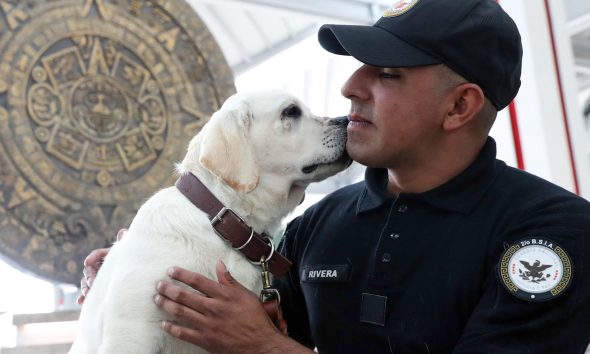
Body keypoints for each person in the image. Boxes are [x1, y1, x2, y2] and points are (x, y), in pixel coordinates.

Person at [79, 0, 590, 353]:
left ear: (459, 105)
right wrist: (136, 286)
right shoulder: (313, 229)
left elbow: (259, 343)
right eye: (358, 67)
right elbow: (234, 332)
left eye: (387, 73)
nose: (349, 87)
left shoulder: (549, 234)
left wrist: (262, 347)